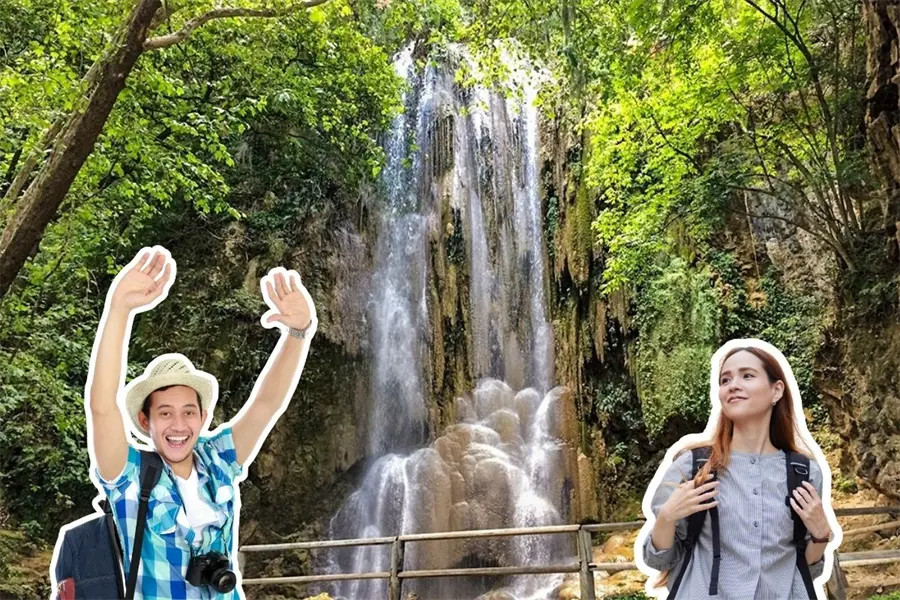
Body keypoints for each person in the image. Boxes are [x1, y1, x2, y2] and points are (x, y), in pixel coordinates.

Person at [84, 246, 317, 599]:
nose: (179, 425)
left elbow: (266, 405)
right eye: (165, 413)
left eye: (189, 412)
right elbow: (102, 408)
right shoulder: (129, 475)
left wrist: (298, 333)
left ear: (204, 417)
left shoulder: (217, 460)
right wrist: (119, 309)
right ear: (145, 421)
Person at [637, 340, 839, 600]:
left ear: (776, 390)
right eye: (725, 380)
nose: (733, 385)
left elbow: (801, 568)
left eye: (747, 376)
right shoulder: (694, 466)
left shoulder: (803, 473)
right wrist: (666, 517)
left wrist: (821, 536)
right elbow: (660, 560)